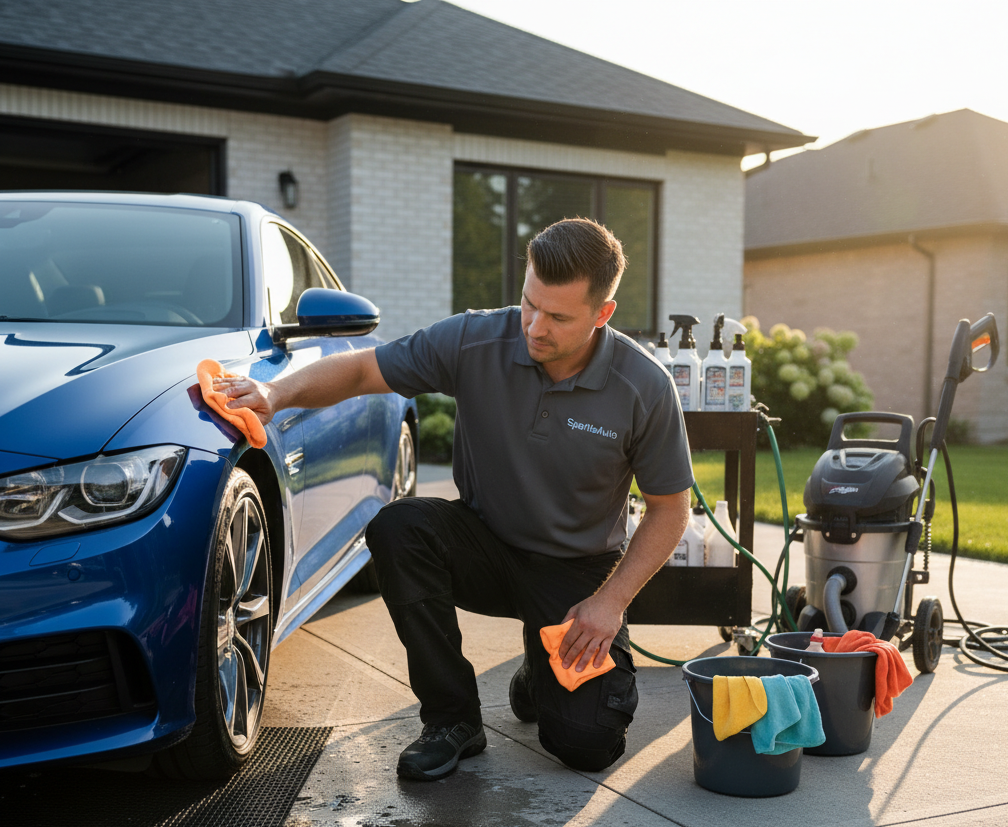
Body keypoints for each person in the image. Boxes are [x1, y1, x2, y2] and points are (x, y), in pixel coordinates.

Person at [214, 218, 693, 781]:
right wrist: (275, 392)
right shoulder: (476, 339)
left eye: (559, 317)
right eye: (529, 304)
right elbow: (365, 369)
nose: (535, 327)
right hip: (484, 542)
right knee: (398, 528)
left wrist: (610, 602)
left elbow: (670, 509)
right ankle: (452, 718)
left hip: (576, 573)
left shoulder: (644, 386)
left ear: (602, 314)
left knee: (586, 743)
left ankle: (538, 673)